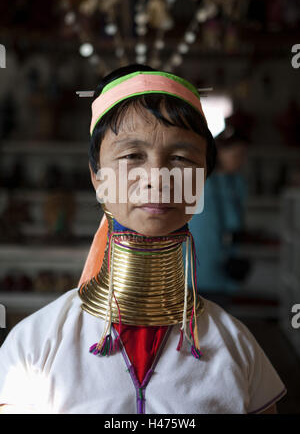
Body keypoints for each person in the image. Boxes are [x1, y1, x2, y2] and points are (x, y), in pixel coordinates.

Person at [0, 65, 287, 414]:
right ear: (97, 176)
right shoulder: (35, 346)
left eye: (181, 158)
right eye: (132, 156)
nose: (157, 178)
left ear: (201, 182)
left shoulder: (237, 348)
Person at [188, 124, 250, 306]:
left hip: (224, 263)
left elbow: (235, 221)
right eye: (237, 155)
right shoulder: (201, 181)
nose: (241, 161)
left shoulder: (234, 181)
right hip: (199, 267)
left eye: (243, 156)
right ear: (220, 152)